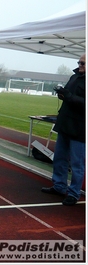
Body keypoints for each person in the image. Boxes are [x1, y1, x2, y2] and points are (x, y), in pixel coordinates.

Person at [41, 53, 86, 206]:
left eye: (83, 63)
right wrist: (62, 94)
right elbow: (69, 95)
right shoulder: (74, 77)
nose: (80, 65)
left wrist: (69, 96)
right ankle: (59, 186)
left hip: (79, 127)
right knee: (59, 158)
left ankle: (74, 192)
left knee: (77, 163)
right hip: (65, 123)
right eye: (79, 62)